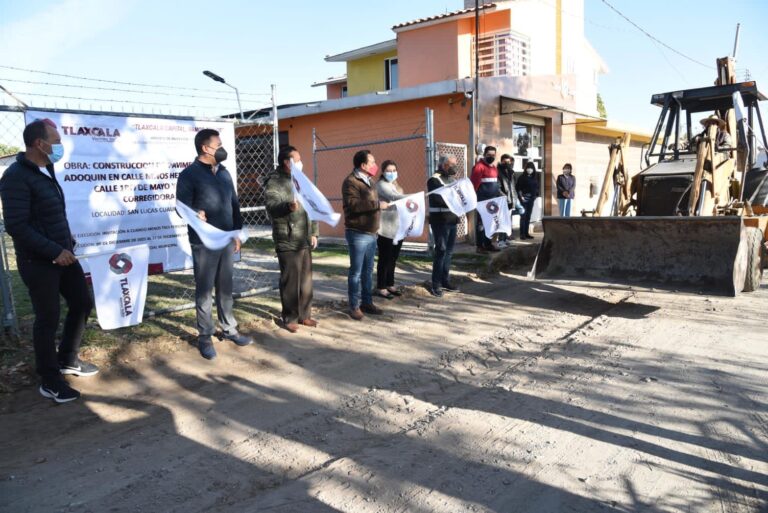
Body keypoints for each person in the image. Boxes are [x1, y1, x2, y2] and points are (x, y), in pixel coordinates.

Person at [0, 119, 96, 403]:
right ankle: (50, 380)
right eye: (55, 141)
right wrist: (54, 251)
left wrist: (66, 241)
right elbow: (17, 225)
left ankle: (68, 359)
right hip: (39, 261)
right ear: (39, 144)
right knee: (48, 318)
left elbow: (50, 215)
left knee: (81, 303)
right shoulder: (16, 176)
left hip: (63, 255)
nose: (59, 145)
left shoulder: (46, 170)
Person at [176, 128, 253, 360]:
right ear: (205, 148)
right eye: (217, 144)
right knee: (204, 289)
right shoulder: (189, 174)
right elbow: (180, 207)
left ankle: (229, 329)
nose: (221, 148)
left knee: (225, 287)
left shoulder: (224, 173)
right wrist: (194, 212)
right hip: (204, 242)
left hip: (227, 240)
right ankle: (205, 336)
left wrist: (237, 233)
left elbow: (234, 205)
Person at [265, 145, 319, 333]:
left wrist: (314, 232)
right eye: (297, 159)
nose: (300, 162)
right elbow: (271, 206)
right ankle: (290, 317)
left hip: (304, 237)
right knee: (291, 281)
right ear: (287, 163)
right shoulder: (275, 181)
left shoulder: (301, 179)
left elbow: (311, 206)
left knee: (305, 280)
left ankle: (305, 315)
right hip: (287, 238)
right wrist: (288, 206)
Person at [342, 149, 387, 320]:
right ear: (363, 165)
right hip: (357, 233)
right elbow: (353, 204)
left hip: (371, 233)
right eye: (372, 162)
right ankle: (354, 306)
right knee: (356, 272)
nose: (375, 165)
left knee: (368, 271)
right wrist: (376, 204)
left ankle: (367, 302)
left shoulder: (371, 181)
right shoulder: (350, 181)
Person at [427, 155, 461, 297]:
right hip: (440, 221)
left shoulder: (451, 179)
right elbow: (438, 198)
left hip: (452, 220)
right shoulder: (434, 179)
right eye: (452, 164)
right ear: (444, 165)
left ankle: (445, 280)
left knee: (449, 252)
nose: (455, 166)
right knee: (441, 251)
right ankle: (436, 284)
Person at [375, 160, 407, 300]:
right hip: (385, 228)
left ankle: (390, 284)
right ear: (383, 172)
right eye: (389, 170)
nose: (392, 173)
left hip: (397, 227)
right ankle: (381, 287)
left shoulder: (397, 186)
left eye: (394, 170)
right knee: (384, 258)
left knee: (393, 258)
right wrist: (415, 197)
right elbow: (395, 197)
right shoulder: (381, 185)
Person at [470, 145, 501, 253]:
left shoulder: (494, 168)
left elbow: (496, 184)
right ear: (484, 155)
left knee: (491, 223)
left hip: (493, 201)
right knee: (481, 224)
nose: (491, 157)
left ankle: (488, 244)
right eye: (489, 155)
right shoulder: (479, 167)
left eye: (493, 155)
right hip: (482, 201)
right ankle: (480, 246)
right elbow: (474, 184)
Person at [497, 154, 524, 247]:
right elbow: (498, 187)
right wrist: (503, 196)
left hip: (510, 200)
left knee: (507, 221)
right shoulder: (498, 172)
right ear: (501, 161)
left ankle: (505, 239)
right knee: (502, 221)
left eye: (509, 162)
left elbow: (513, 187)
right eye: (505, 162)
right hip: (502, 200)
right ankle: (500, 241)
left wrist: (514, 199)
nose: (507, 163)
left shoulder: (511, 172)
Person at [516, 161, 540, 240]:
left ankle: (526, 233)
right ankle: (522, 234)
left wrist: (536, 195)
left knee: (528, 217)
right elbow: (518, 188)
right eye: (528, 168)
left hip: (531, 199)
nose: (530, 170)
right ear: (526, 169)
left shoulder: (534, 178)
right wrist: (521, 197)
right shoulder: (522, 177)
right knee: (523, 216)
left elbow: (536, 188)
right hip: (524, 199)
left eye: (531, 168)